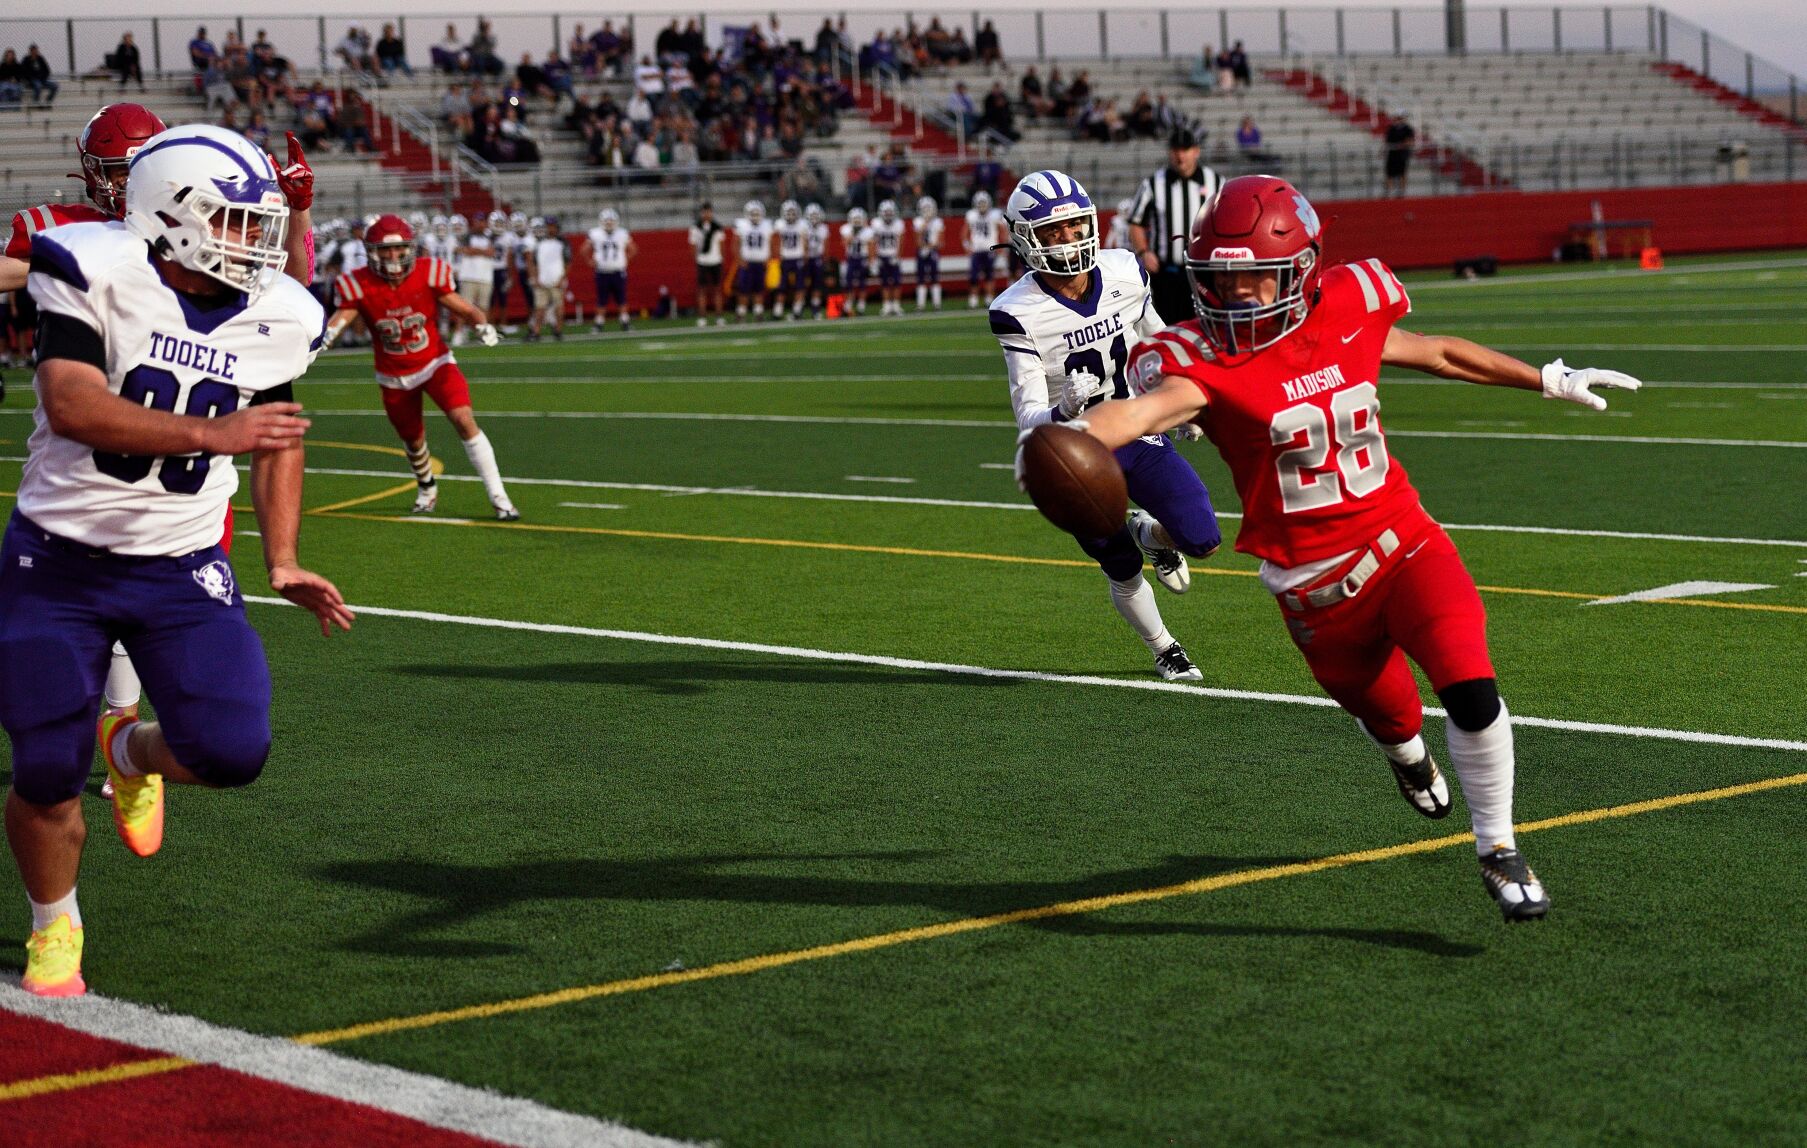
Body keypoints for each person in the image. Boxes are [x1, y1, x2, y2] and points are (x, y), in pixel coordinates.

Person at [1068, 175, 1643, 920]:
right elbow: (1139, 411)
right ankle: (1406, 759)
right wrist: (1062, 443)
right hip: (1312, 586)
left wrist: (1546, 378)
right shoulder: (1201, 360)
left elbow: (1436, 351)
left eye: (1253, 275)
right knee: (1393, 721)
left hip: (1401, 540)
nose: (1235, 294)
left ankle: (1497, 848)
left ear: (1301, 269)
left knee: (1469, 686)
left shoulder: (1349, 303)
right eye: (1220, 278)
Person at [4, 124, 353, 997]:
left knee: (233, 749)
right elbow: (73, 403)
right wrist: (212, 432)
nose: (258, 243)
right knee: (45, 771)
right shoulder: (98, 269)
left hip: (180, 565)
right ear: (171, 215)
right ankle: (55, 922)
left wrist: (283, 557)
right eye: (236, 222)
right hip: (60, 562)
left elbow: (277, 437)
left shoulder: (276, 310)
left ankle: (127, 755)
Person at [990, 170, 1219, 682]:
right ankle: (1165, 648)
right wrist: (1065, 408)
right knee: (1118, 561)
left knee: (1201, 536)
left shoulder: (1123, 269)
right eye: (1054, 232)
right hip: (1072, 453)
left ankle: (1152, 534)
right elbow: (1028, 420)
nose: (1069, 240)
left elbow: (1158, 338)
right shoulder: (1016, 312)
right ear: (1028, 239)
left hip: (1136, 428)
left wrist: (1179, 398)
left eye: (1075, 227)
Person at [322, 215, 520, 521]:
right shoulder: (357, 283)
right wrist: (321, 340)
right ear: (371, 251)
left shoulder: (429, 273)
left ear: (410, 248)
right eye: (384, 250)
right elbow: (340, 319)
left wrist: (482, 325)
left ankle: (499, 496)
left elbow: (466, 308)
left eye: (399, 249)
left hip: (434, 362)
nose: (392, 256)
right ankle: (427, 488)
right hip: (393, 374)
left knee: (463, 418)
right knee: (413, 440)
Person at [1127, 125, 1220, 324]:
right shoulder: (1153, 184)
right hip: (1166, 275)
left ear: (1196, 151)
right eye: (1176, 150)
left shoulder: (1216, 183)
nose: (1180, 156)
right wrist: (1143, 252)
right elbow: (1135, 222)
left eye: (1185, 150)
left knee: (1204, 327)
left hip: (1203, 273)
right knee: (1166, 327)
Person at [586, 208, 636, 332]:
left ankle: (625, 321)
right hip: (602, 271)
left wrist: (625, 260)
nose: (609, 223)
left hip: (618, 271)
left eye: (611, 221)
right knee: (601, 299)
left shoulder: (622, 233)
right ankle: (599, 323)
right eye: (607, 221)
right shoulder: (595, 233)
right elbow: (584, 249)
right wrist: (590, 261)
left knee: (622, 299)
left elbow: (633, 249)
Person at [525, 217, 568, 342]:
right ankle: (536, 332)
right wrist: (535, 278)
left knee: (558, 308)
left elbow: (568, 262)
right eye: (548, 226)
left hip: (556, 279)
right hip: (542, 280)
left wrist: (562, 278)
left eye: (552, 226)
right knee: (539, 309)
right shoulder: (538, 243)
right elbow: (533, 263)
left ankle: (558, 331)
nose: (550, 229)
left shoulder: (562, 243)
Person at [731, 200, 774, 323]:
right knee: (743, 290)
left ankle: (758, 313)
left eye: (757, 213)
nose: (755, 216)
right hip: (747, 262)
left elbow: (771, 243)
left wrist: (769, 258)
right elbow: (735, 244)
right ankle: (741, 313)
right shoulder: (742, 225)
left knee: (759, 289)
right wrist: (739, 260)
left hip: (761, 262)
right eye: (752, 214)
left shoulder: (766, 225)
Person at [963, 190, 1005, 308]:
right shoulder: (971, 215)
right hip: (976, 250)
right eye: (980, 204)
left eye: (984, 203)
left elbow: (1003, 231)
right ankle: (973, 300)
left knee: (989, 276)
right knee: (973, 277)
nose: (982, 206)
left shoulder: (994, 214)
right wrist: (967, 246)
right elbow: (964, 233)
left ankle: (989, 299)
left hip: (990, 249)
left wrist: (1001, 246)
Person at [689, 201, 726, 327]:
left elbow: (722, 245)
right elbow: (693, 246)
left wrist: (721, 259)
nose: (707, 214)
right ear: (701, 213)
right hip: (703, 261)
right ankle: (702, 317)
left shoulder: (718, 227)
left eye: (709, 212)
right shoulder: (696, 227)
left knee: (717, 289)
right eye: (705, 212)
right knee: (702, 290)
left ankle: (719, 316)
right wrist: (696, 259)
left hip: (715, 260)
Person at [773, 200, 810, 321]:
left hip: (797, 257)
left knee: (799, 285)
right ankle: (778, 311)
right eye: (788, 213)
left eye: (793, 213)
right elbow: (777, 241)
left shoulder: (802, 225)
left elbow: (804, 242)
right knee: (782, 286)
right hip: (786, 258)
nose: (791, 215)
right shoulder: (780, 224)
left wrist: (805, 255)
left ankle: (797, 310)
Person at [870, 199, 907, 317]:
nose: (888, 215)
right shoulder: (876, 223)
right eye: (886, 213)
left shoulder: (898, 223)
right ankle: (886, 306)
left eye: (890, 213)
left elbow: (901, 241)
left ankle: (896, 306)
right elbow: (873, 242)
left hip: (893, 255)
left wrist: (898, 256)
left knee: (896, 282)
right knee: (884, 283)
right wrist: (873, 260)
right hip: (882, 256)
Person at [913, 195, 944, 311]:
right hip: (921, 251)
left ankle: (937, 304)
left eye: (928, 209)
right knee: (920, 278)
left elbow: (941, 242)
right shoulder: (918, 222)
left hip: (933, 252)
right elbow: (917, 241)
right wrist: (924, 227)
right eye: (924, 209)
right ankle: (920, 305)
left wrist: (930, 247)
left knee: (935, 277)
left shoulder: (938, 222)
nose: (927, 212)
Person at [839, 206, 872, 316]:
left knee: (862, 284)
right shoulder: (846, 229)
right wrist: (853, 233)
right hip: (851, 258)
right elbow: (844, 244)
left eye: (859, 219)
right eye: (855, 220)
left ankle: (861, 307)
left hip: (863, 258)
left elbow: (872, 247)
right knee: (849, 284)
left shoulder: (868, 230)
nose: (857, 222)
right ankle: (848, 306)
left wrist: (871, 261)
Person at [802, 202, 830, 320]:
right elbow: (804, 242)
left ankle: (815, 309)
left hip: (818, 258)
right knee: (804, 284)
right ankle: (799, 308)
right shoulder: (804, 227)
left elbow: (826, 245)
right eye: (812, 216)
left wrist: (825, 259)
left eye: (815, 215)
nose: (814, 218)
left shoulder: (823, 228)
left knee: (817, 285)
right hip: (807, 258)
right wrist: (805, 255)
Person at [1384, 117, 1417, 197]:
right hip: (1392, 154)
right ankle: (1390, 191)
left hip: (1402, 154)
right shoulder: (1391, 128)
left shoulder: (1408, 129)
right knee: (1390, 173)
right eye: (1396, 118)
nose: (1398, 120)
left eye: (1399, 118)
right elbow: (1387, 141)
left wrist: (1402, 145)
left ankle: (1402, 191)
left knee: (1402, 173)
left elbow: (1410, 141)